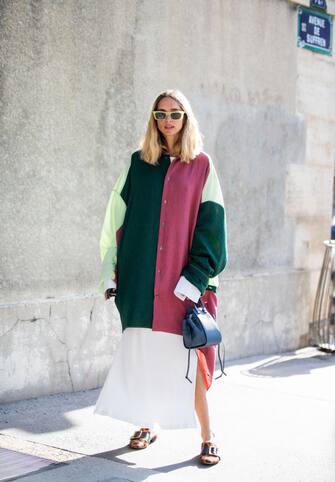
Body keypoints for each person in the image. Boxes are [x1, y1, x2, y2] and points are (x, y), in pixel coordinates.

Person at [94, 89, 228, 466]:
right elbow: (114, 223)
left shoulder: (201, 165)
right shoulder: (138, 164)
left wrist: (196, 276)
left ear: (186, 119)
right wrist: (111, 274)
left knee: (193, 361)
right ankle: (147, 423)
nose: (168, 120)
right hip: (140, 282)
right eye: (161, 113)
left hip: (183, 285)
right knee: (144, 358)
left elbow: (212, 224)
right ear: (153, 119)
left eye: (175, 113)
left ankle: (207, 434)